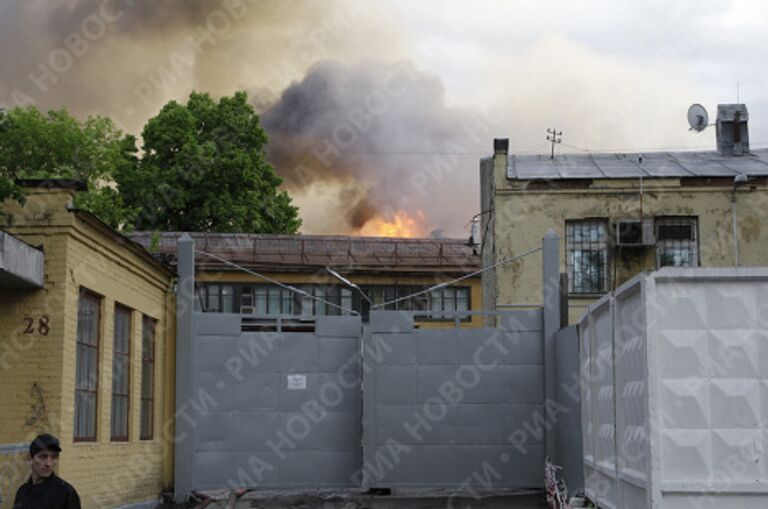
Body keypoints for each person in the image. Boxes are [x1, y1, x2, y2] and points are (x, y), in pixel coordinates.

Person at [12, 433, 81, 509]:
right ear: (30, 459)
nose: (48, 463)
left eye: (53, 457)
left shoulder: (66, 493)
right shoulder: (22, 492)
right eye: (42, 456)